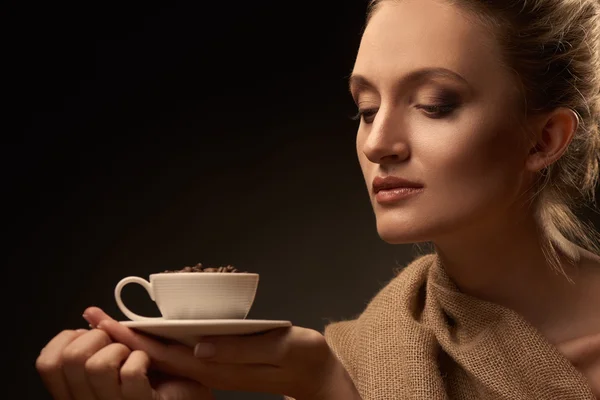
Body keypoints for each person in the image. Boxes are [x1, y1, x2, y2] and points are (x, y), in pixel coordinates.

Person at [36, 0, 600, 398]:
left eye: (434, 103)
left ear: (544, 138)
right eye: (366, 109)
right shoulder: (347, 362)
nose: (379, 144)